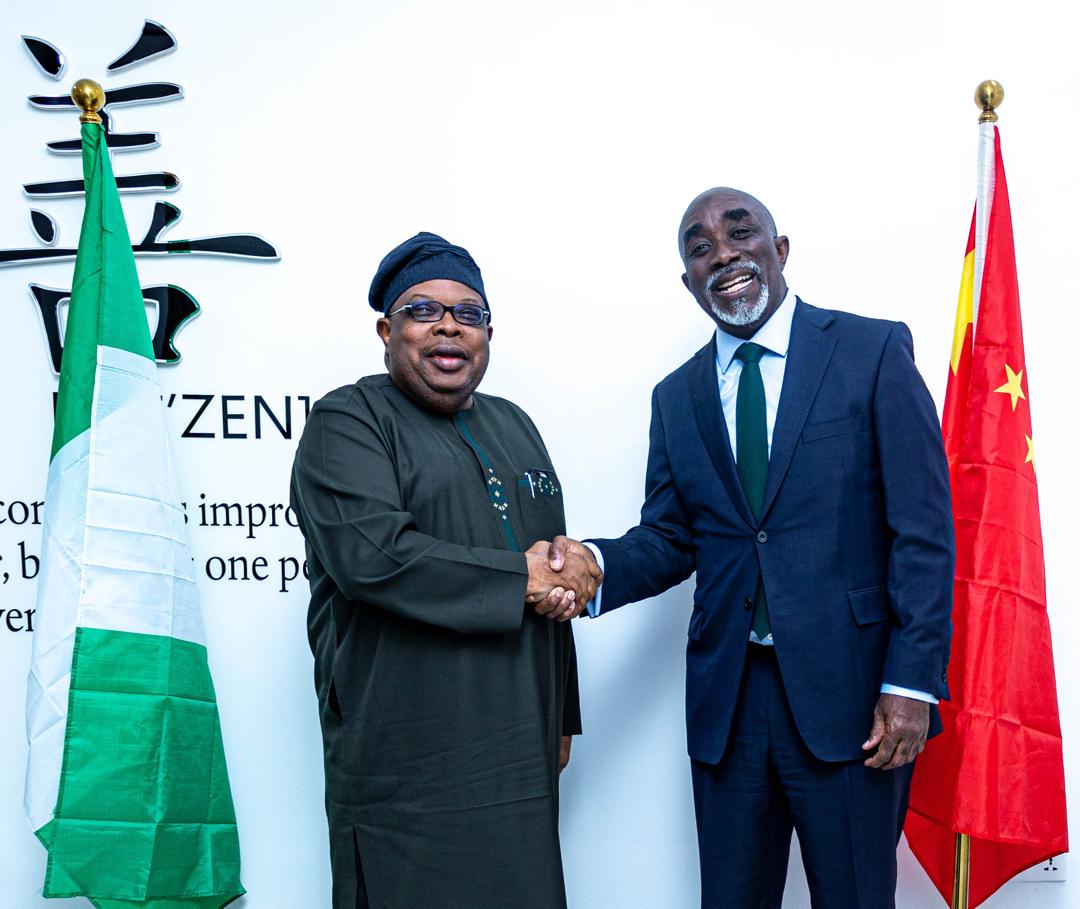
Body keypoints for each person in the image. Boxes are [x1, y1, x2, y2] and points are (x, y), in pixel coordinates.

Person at [542, 189, 954, 907]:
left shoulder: (872, 352)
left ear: (780, 249)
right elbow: (670, 537)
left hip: (855, 699)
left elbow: (922, 533)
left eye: (740, 233)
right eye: (700, 248)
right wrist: (593, 566)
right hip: (729, 707)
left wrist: (911, 683)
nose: (724, 254)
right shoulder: (677, 397)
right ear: (689, 281)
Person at [290, 232, 601, 909]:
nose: (449, 326)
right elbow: (374, 557)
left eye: (468, 312)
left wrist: (562, 714)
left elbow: (550, 572)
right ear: (386, 331)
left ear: (488, 333)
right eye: (423, 310)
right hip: (408, 755)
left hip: (520, 744)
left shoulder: (515, 424)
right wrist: (523, 579)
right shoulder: (348, 420)